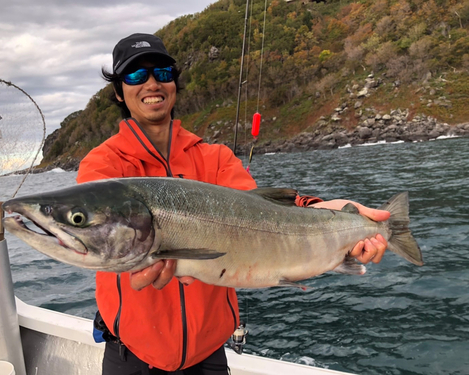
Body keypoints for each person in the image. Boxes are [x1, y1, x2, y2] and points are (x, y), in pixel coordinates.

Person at [76, 33, 389, 375]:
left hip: (208, 354)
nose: (152, 83)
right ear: (119, 92)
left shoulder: (214, 158)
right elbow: (97, 235)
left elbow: (262, 211)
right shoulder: (103, 166)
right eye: (136, 75)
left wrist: (324, 211)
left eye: (162, 73)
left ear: (174, 84)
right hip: (131, 356)